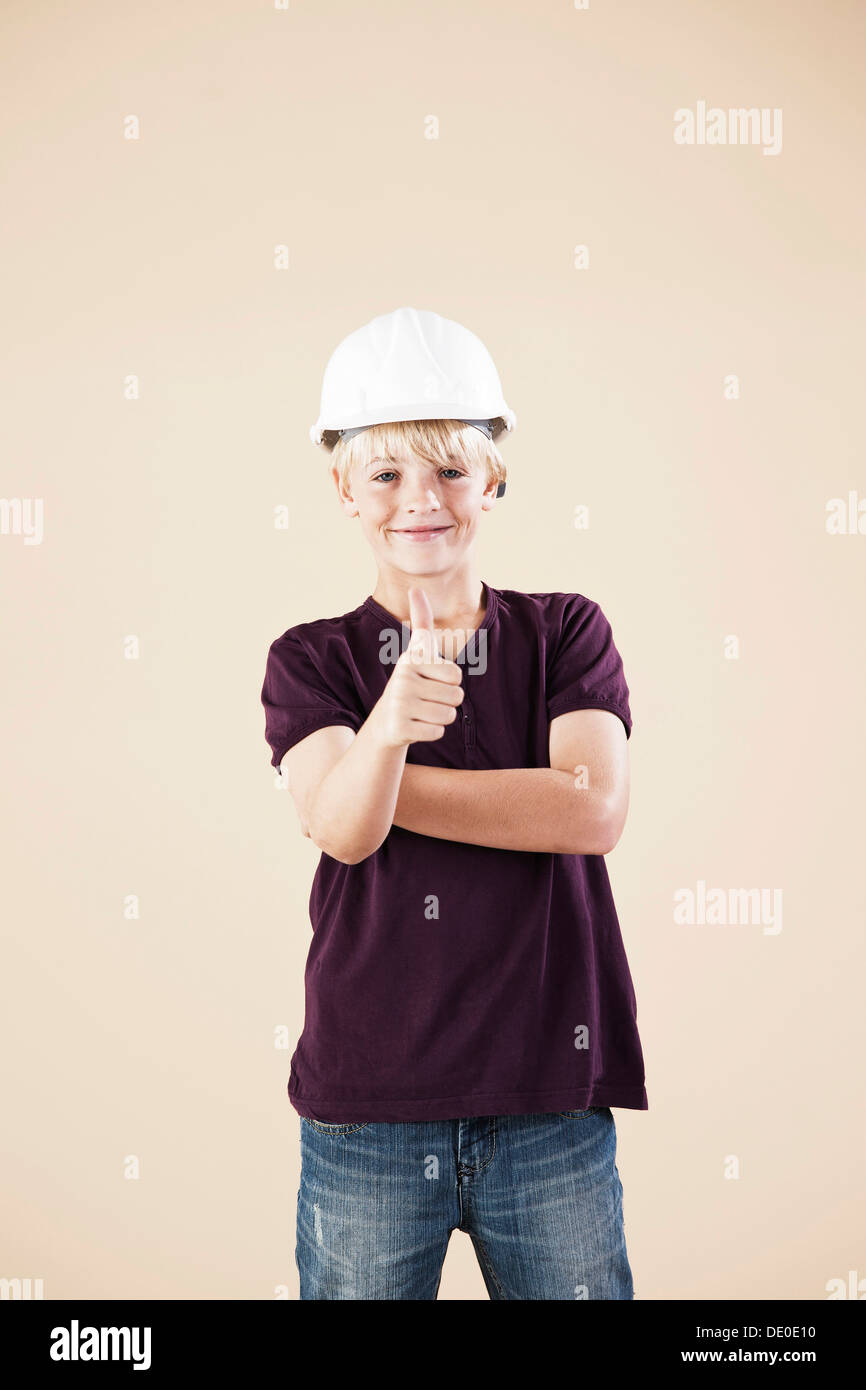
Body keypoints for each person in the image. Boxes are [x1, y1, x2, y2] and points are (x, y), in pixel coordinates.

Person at [261, 306, 647, 1300]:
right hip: (369, 1107)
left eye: (448, 469)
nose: (418, 499)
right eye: (385, 473)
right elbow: (344, 836)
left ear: (493, 479)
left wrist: (372, 776)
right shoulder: (311, 658)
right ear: (344, 489)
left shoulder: (565, 633)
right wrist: (385, 727)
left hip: (545, 1100)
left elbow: (590, 811)